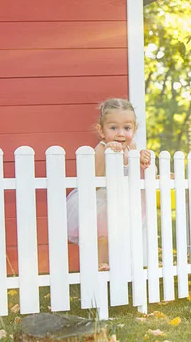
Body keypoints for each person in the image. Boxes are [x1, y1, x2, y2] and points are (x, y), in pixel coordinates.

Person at [66, 98, 152, 270]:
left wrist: (141, 159)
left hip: (121, 202)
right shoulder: (101, 148)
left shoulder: (132, 147)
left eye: (126, 128)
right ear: (102, 130)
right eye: (113, 128)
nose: (121, 133)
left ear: (134, 129)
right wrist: (108, 154)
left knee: (121, 237)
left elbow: (134, 175)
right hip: (99, 202)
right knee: (103, 237)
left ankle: (119, 268)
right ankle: (100, 267)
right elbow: (95, 182)